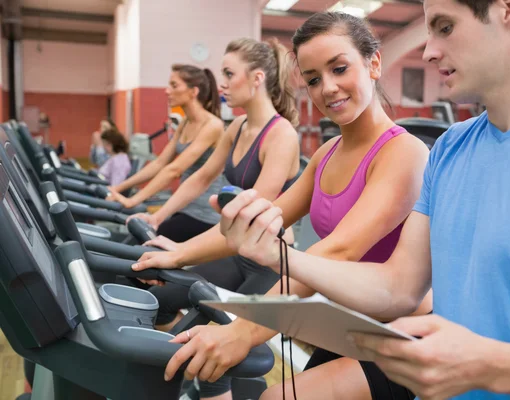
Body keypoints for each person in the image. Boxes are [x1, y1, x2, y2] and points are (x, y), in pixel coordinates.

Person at [199, 1, 510, 400]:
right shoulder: (450, 150)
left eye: (444, 27)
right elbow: (397, 288)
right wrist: (277, 255)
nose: (428, 51)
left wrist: (487, 366)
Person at [134, 14, 434, 400]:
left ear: (373, 64)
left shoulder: (403, 152)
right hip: (350, 324)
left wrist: (243, 332)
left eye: (339, 68)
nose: (327, 87)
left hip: (405, 335)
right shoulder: (326, 154)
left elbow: (337, 252)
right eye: (312, 79)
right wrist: (176, 255)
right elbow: (261, 222)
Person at [132, 37, 302, 400]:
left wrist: (180, 251)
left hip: (268, 267)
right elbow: (199, 177)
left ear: (257, 79)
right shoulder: (236, 127)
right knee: (158, 296)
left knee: (219, 360)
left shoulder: (282, 136)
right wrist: (159, 217)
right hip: (234, 255)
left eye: (229, 74)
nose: (221, 83)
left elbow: (247, 223)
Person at [108, 64, 226, 239]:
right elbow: (159, 163)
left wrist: (134, 200)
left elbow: (174, 170)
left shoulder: (213, 126)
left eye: (174, 85)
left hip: (204, 215)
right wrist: (118, 188)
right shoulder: (185, 123)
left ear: (193, 92)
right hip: (184, 208)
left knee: (141, 245)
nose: (167, 90)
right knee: (135, 241)